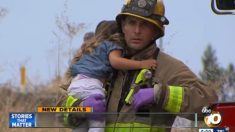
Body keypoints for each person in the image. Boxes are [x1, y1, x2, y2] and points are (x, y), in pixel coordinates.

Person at [70, 0, 217, 132]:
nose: (137, 31)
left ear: (156, 31)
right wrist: (82, 107)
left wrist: (159, 94)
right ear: (122, 26)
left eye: (145, 24)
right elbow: (58, 111)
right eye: (131, 23)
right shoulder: (99, 61)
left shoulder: (168, 67)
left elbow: (209, 106)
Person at [65, 20, 157, 132]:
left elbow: (61, 111)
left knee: (82, 125)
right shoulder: (113, 45)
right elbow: (116, 62)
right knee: (97, 124)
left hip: (75, 86)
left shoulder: (90, 48)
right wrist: (142, 64)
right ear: (119, 34)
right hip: (92, 87)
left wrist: (80, 106)